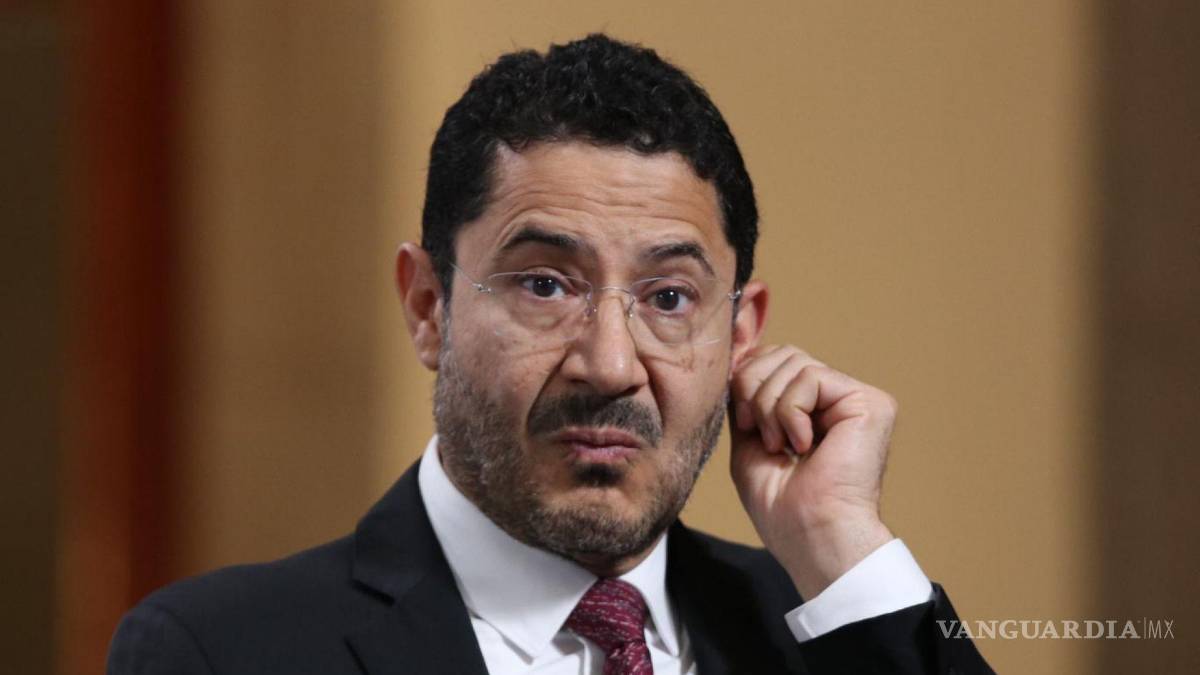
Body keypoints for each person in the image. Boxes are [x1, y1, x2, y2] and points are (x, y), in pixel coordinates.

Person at [108, 33, 992, 674]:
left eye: (669, 298)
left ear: (740, 333)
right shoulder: (219, 651)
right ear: (428, 306)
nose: (610, 366)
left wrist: (841, 546)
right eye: (545, 285)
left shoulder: (831, 632)